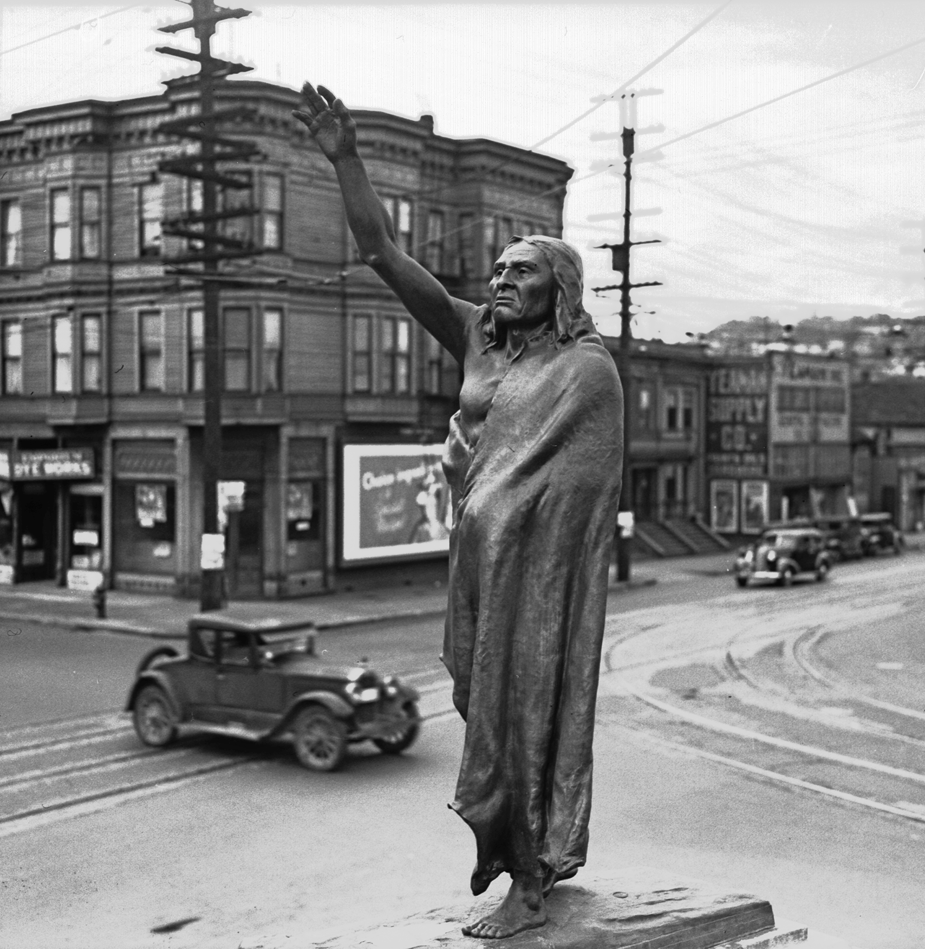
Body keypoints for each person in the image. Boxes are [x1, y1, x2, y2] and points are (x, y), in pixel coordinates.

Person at [293, 84, 623, 939]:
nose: (502, 280)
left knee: (528, 709)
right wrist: (347, 159)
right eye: (500, 269)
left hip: (538, 579)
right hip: (477, 563)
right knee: (485, 706)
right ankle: (518, 854)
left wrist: (523, 536)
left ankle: (532, 877)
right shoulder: (477, 333)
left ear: (562, 287)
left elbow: (578, 492)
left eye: (523, 271)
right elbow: (381, 251)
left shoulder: (589, 372)